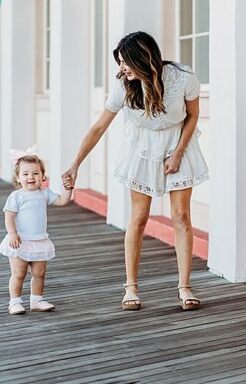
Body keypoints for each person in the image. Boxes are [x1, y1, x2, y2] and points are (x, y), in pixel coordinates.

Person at [61, 32, 209, 312]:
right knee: (139, 218)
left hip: (179, 145)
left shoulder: (183, 78)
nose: (122, 69)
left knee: (181, 216)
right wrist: (75, 164)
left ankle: (184, 286)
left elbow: (193, 116)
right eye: (119, 63)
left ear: (143, 58)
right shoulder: (123, 88)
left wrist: (178, 153)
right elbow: (98, 128)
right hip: (142, 150)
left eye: (125, 62)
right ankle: (131, 286)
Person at [0, 149, 73, 314]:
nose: (30, 177)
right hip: (20, 241)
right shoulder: (16, 196)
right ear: (18, 178)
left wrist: (69, 189)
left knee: (39, 273)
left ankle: (37, 299)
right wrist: (12, 233)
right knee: (19, 273)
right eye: (25, 174)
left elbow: (61, 201)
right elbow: (9, 216)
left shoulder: (44, 193)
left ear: (43, 176)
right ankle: (15, 302)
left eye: (35, 173)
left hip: (39, 241)